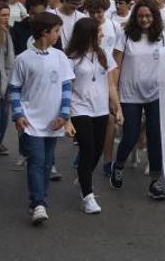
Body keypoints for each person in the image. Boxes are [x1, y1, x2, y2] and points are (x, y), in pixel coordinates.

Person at [9, 12, 74, 224]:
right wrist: (18, 114)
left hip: (53, 120)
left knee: (47, 163)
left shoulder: (60, 57)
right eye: (56, 31)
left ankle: (40, 198)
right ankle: (38, 203)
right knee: (36, 161)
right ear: (45, 32)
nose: (58, 35)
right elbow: (15, 89)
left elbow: (66, 86)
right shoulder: (23, 59)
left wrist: (64, 114)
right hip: (31, 122)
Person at [109, 0, 165, 199]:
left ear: (155, 17)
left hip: (156, 93)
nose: (145, 19)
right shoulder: (124, 35)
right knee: (131, 134)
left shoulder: (162, 37)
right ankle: (118, 165)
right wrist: (113, 95)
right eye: (141, 16)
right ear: (135, 17)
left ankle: (155, 181)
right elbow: (115, 66)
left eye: (149, 16)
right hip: (129, 93)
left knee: (155, 135)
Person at [64, 17, 122, 214]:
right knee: (87, 148)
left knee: (97, 149)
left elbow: (111, 84)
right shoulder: (71, 57)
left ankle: (83, 176)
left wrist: (117, 107)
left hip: (101, 110)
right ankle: (87, 195)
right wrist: (67, 118)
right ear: (88, 34)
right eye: (98, 32)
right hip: (79, 109)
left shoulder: (103, 53)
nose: (102, 34)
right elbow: (66, 88)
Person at [0, 2, 16, 156]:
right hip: (1, 80)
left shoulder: (5, 31)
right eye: (3, 15)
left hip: (7, 79)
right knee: (1, 114)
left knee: (4, 114)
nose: (6, 18)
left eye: (8, 14)